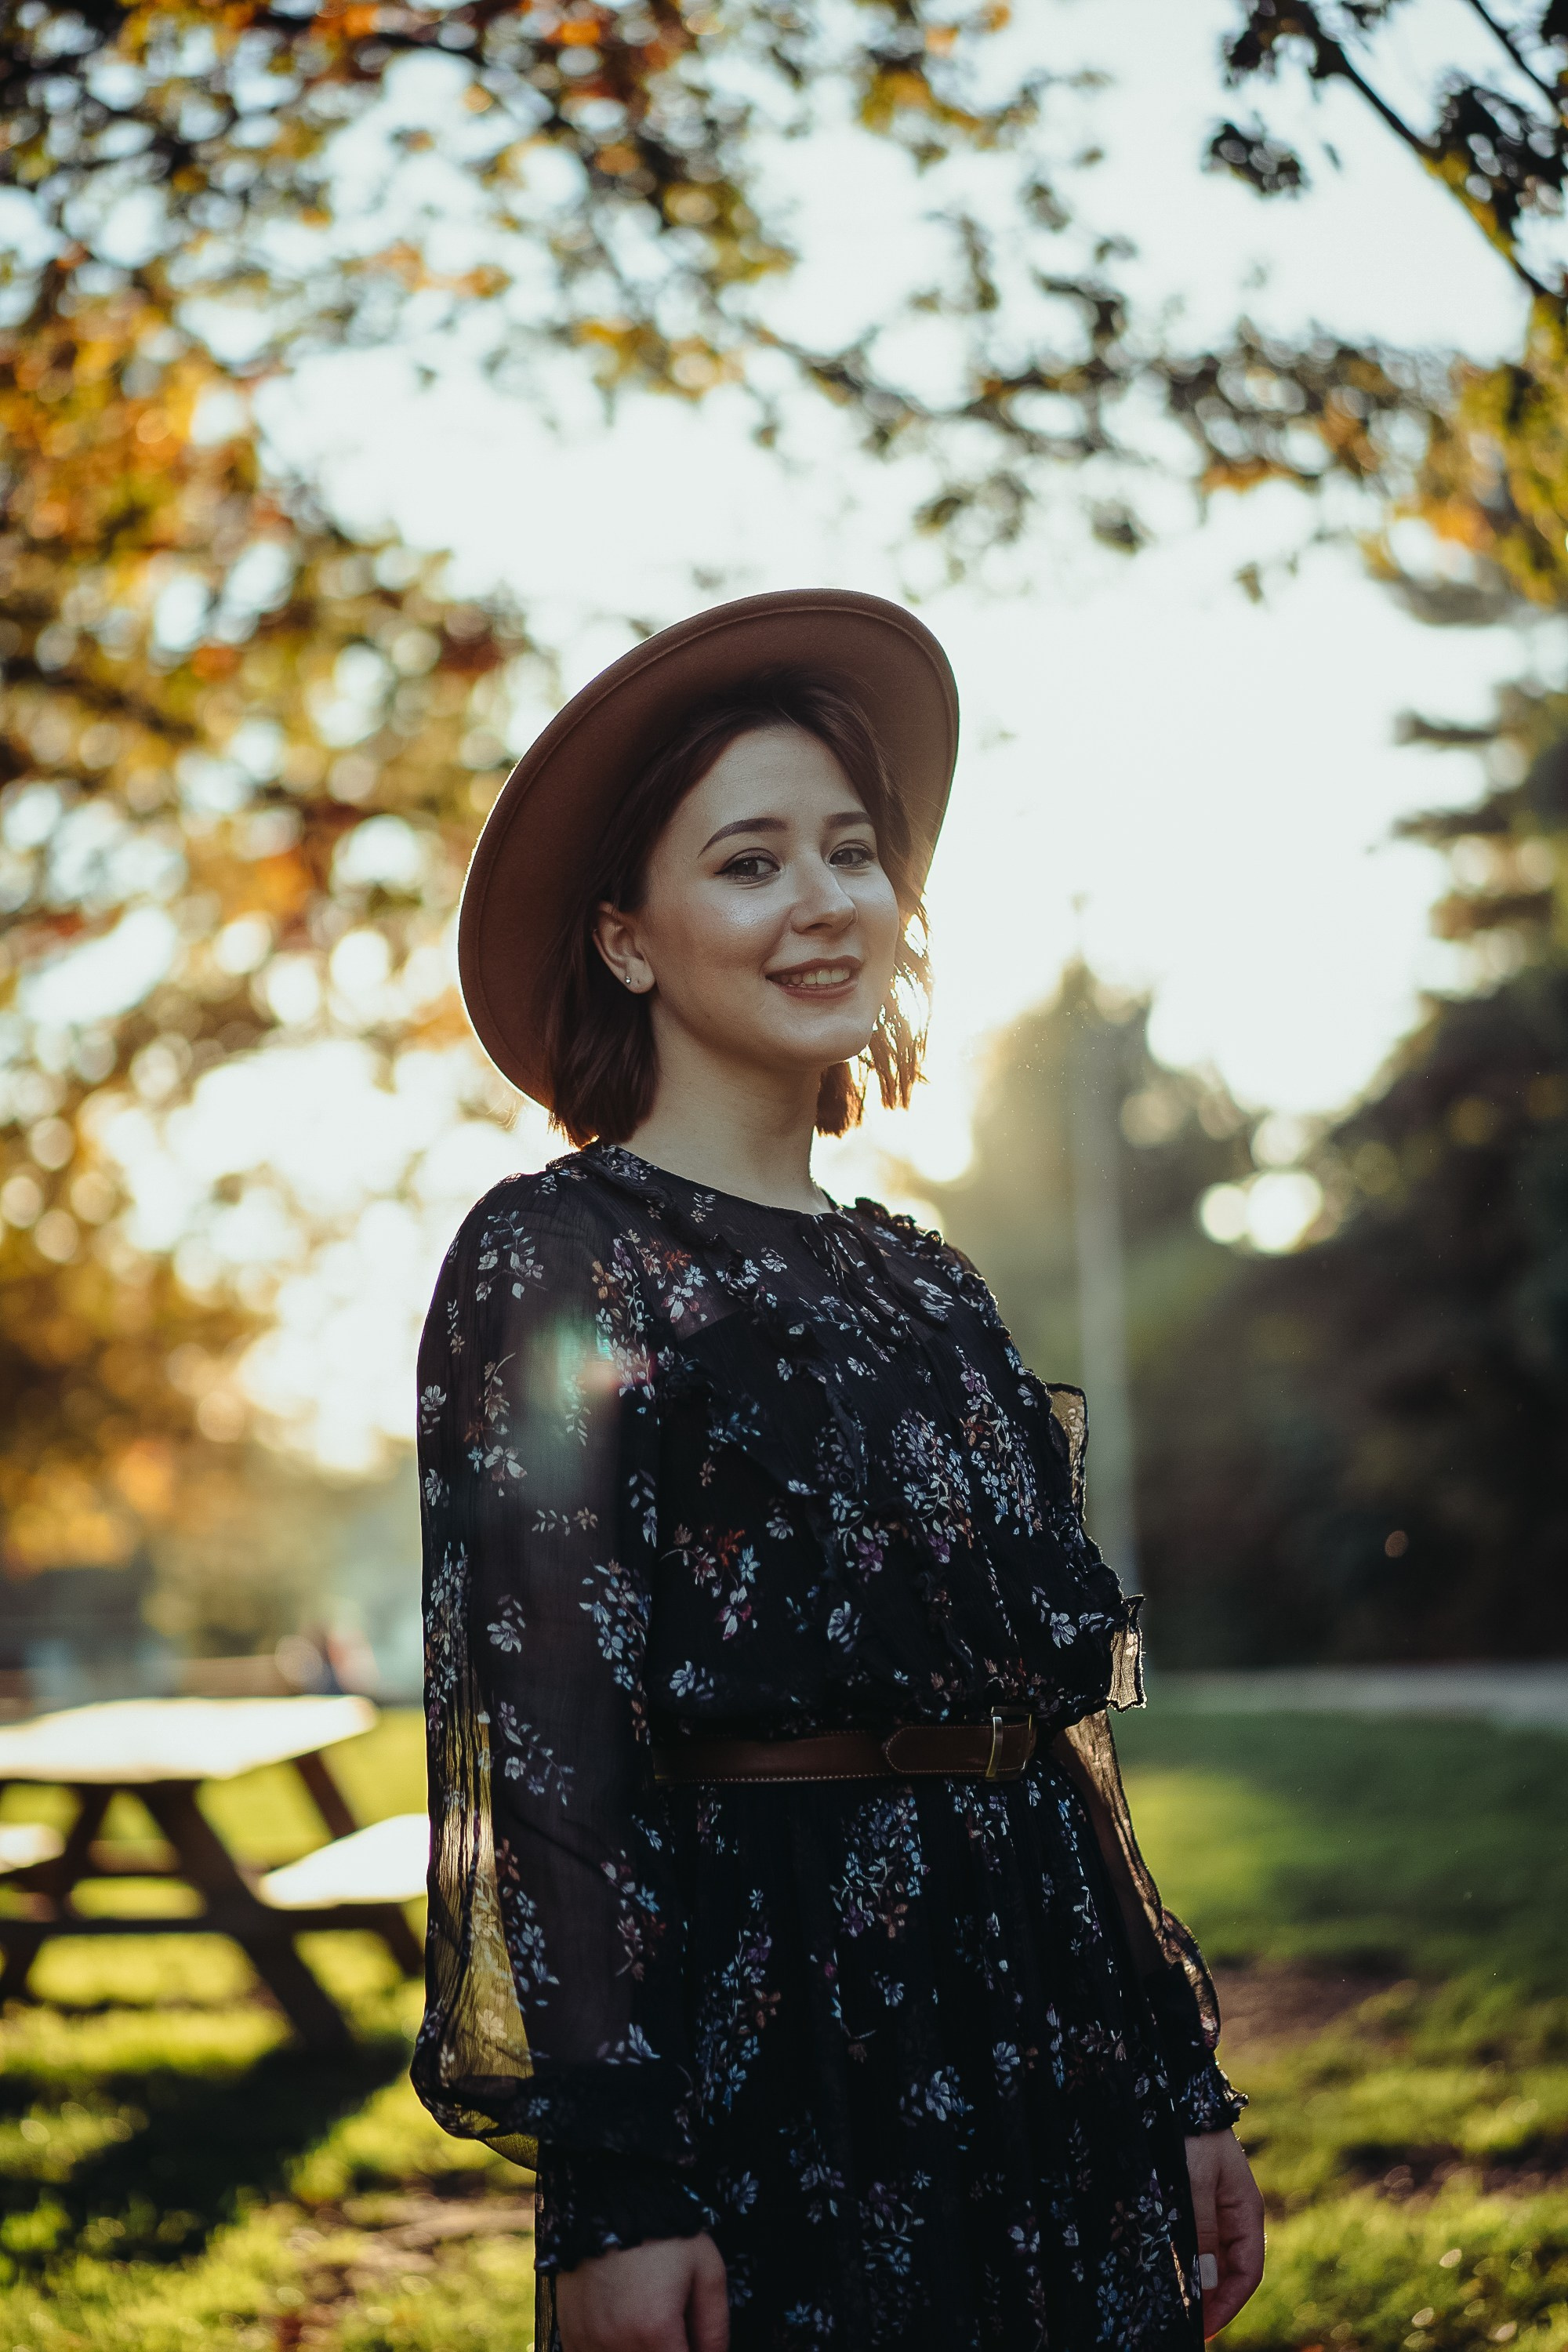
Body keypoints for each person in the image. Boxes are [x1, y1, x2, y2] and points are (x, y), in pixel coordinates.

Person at [412, 590, 1265, 2352]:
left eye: (851, 851)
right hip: (784, 2055)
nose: (823, 901)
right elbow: (557, 1756)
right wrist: (617, 2193)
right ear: (627, 941)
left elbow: (1053, 1733)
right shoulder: (560, 1259)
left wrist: (1177, 2077)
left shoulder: (928, 1283)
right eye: (749, 863)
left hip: (1047, 2029)